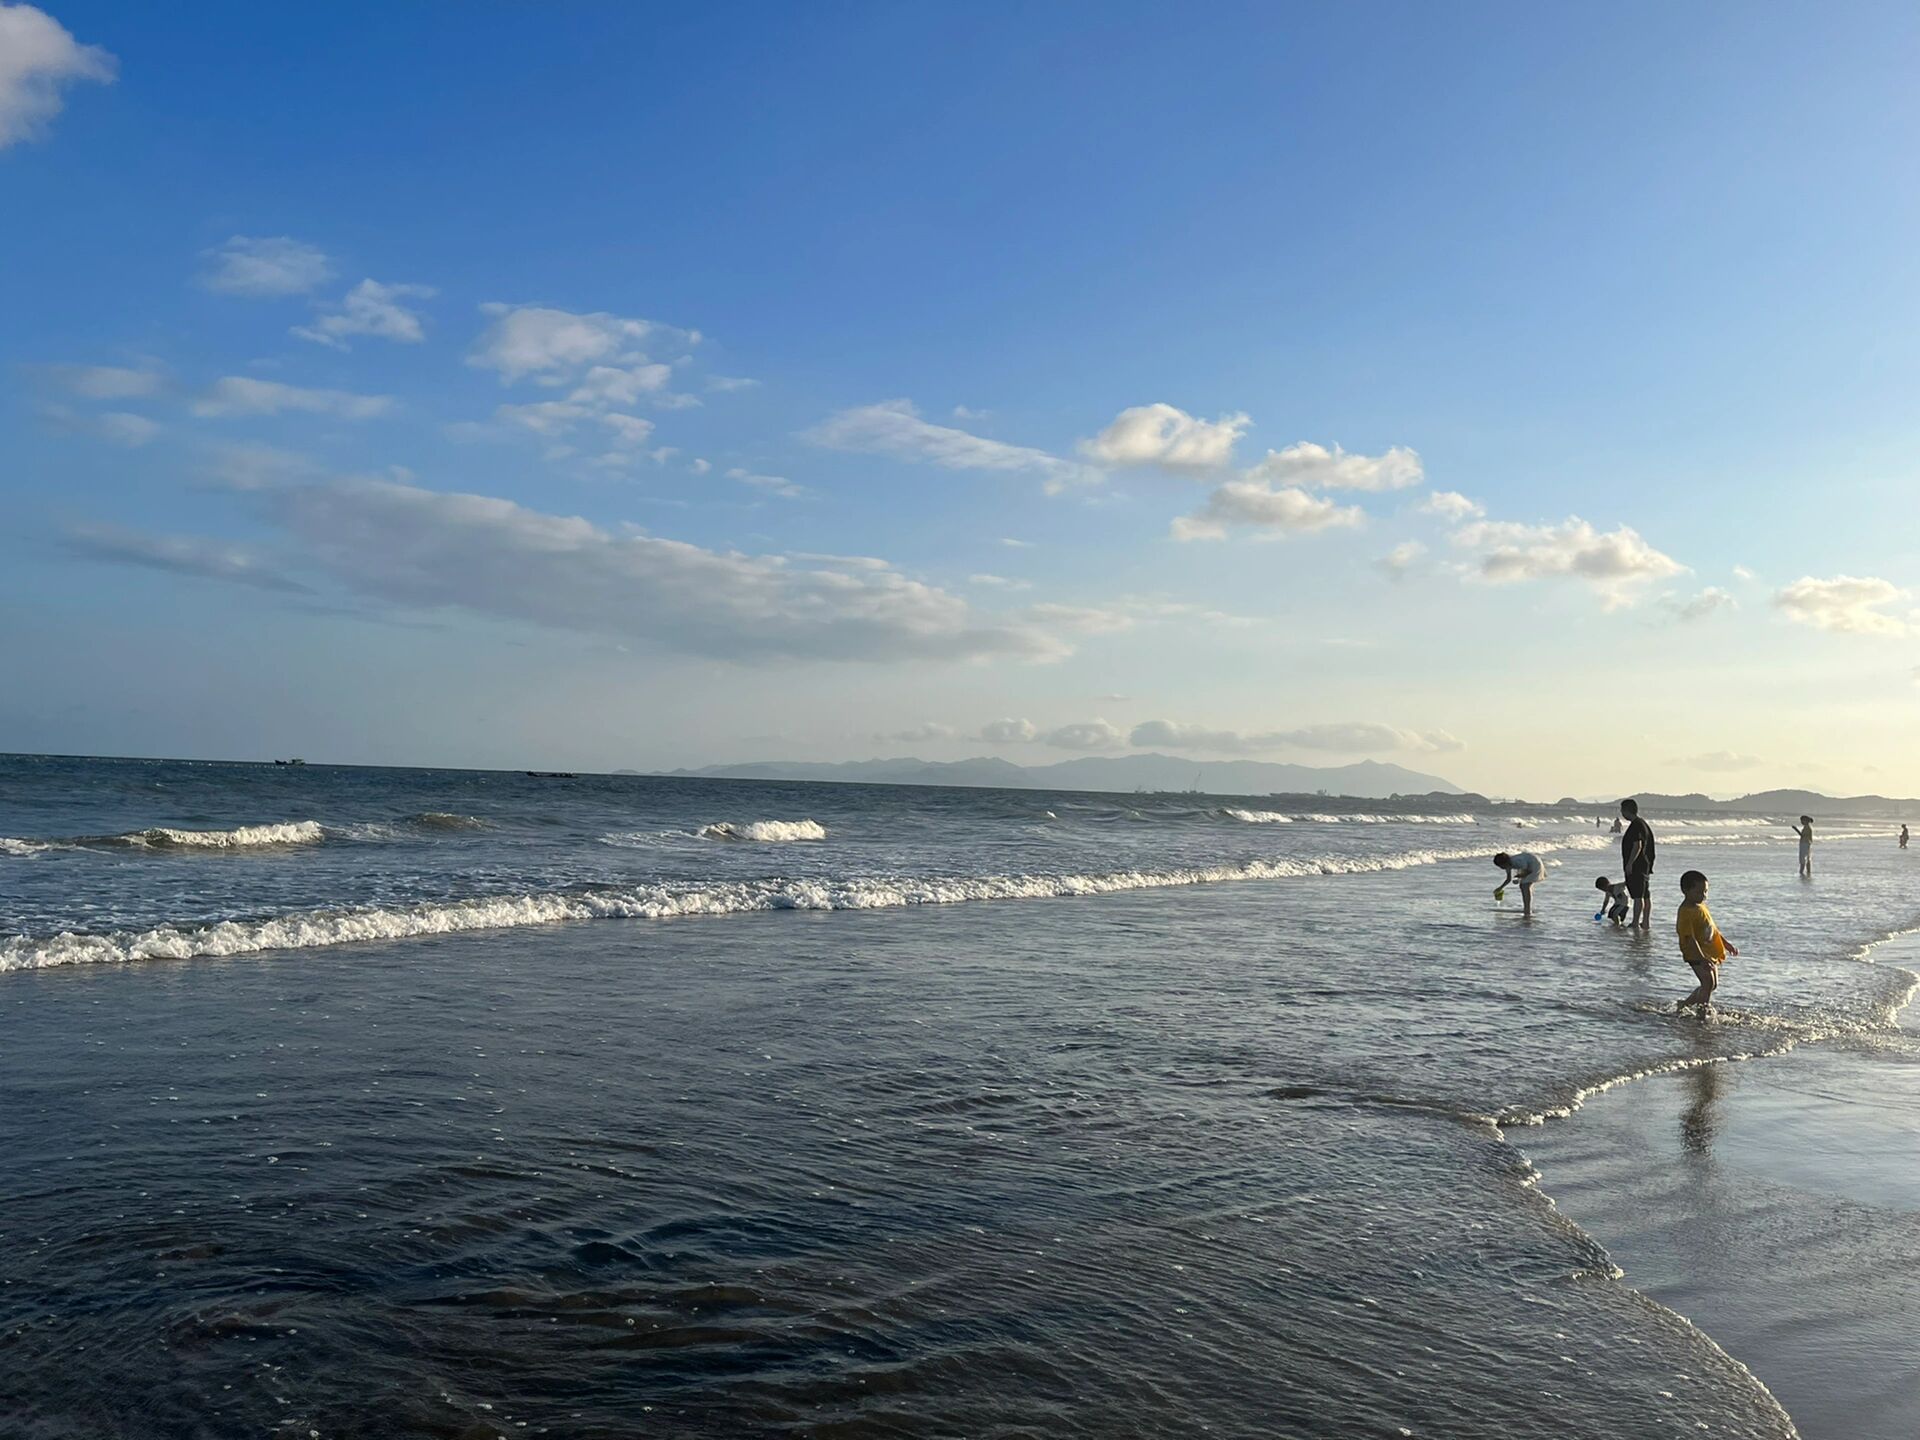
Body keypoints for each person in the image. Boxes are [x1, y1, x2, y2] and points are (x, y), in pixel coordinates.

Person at [1675, 868, 1738, 1018]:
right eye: (1699, 892)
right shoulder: (1685, 912)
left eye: (1705, 892)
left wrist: (1725, 944)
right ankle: (1701, 1013)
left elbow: (1712, 928)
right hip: (1695, 952)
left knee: (1712, 985)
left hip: (1708, 951)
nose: (1703, 896)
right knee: (1707, 982)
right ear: (1685, 891)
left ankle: (1686, 1004)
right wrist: (1702, 958)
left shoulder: (1701, 907)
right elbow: (1689, 938)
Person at [1620, 798, 1655, 930]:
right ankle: (1645, 922)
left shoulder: (1636, 825)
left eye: (1622, 810)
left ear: (1626, 810)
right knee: (1645, 894)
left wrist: (1630, 863)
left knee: (1637, 895)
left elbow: (1637, 845)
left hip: (1637, 866)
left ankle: (1635, 922)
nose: (1621, 813)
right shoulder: (1642, 824)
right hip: (1644, 865)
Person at [1493, 850, 1544, 917]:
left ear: (1506, 862)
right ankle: (1527, 908)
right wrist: (1500, 888)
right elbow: (1508, 879)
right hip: (1527, 866)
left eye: (1501, 866)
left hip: (1534, 863)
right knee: (1523, 885)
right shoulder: (1508, 865)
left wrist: (1519, 878)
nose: (1501, 868)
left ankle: (1527, 909)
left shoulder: (1517, 861)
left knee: (1525, 886)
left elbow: (1527, 871)